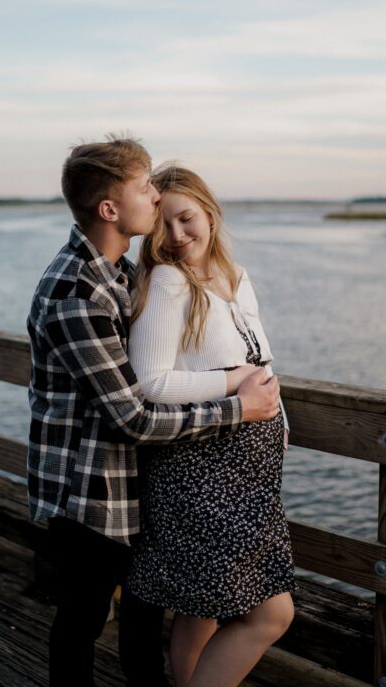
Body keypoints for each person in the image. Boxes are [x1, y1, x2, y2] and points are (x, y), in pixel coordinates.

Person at [27, 136, 281, 687]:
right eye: (145, 188)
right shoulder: (78, 291)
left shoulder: (116, 275)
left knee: (143, 618)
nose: (155, 195)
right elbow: (134, 416)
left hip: (129, 480)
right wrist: (235, 403)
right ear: (110, 209)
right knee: (83, 622)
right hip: (87, 489)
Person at [124, 164, 295, 687]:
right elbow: (151, 382)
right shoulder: (168, 282)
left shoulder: (236, 278)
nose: (177, 237)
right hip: (199, 472)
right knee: (272, 614)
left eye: (187, 219)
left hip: (248, 475)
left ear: (210, 211)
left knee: (199, 608)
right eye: (164, 227)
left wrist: (280, 421)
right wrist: (233, 381)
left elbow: (261, 363)